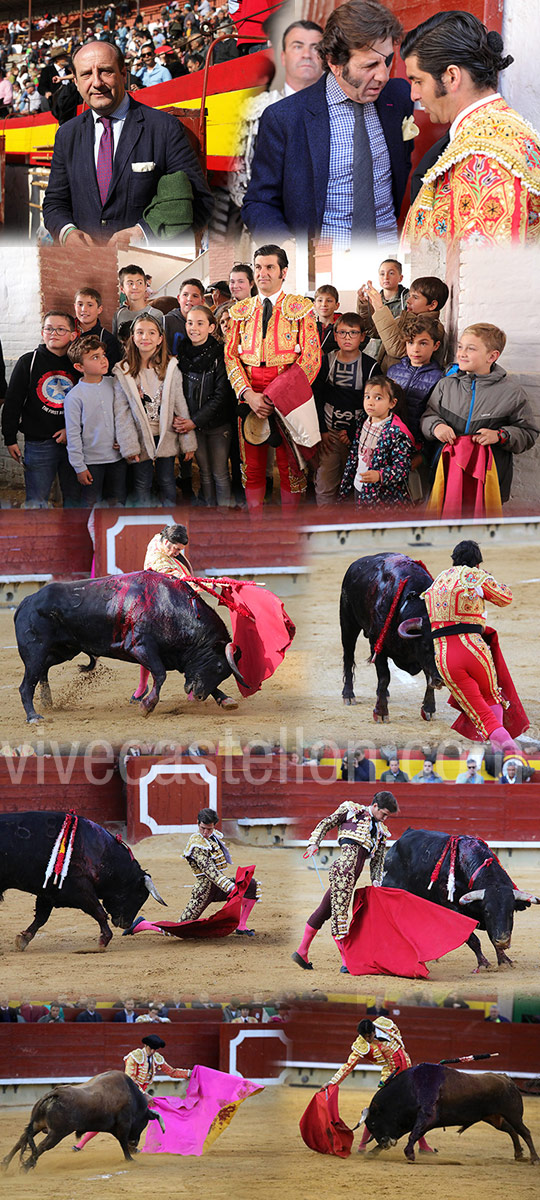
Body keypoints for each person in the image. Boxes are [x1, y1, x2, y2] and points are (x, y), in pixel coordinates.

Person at [242, 0, 414, 244]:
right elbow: (259, 202)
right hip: (324, 262)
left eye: (386, 61)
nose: (383, 76)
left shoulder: (398, 99)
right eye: (370, 65)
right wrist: (285, 248)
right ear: (335, 62)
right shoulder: (285, 118)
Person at [42, 40, 213, 247]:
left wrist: (145, 233)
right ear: (76, 82)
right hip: (88, 267)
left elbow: (200, 202)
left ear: (124, 74)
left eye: (105, 71)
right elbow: (54, 203)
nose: (96, 83)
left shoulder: (164, 128)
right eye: (86, 74)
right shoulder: (66, 135)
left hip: (148, 267)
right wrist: (67, 232)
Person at [401, 11, 540, 245]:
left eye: (418, 81)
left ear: (452, 77)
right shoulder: (489, 134)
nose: (414, 94)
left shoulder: (484, 156)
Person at [224, 244, 321, 509]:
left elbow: (311, 357)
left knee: (290, 465)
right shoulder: (239, 312)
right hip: (250, 395)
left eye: (269, 267)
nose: (262, 273)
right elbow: (231, 356)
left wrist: (278, 396)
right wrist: (248, 394)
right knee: (252, 466)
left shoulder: (301, 308)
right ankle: (256, 527)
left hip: (287, 396)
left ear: (283, 272)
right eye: (258, 267)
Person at [421, 323, 539, 511]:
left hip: (488, 482)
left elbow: (529, 433)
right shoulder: (446, 385)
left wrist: (500, 435)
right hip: (446, 476)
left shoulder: (511, 392)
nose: (461, 353)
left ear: (492, 356)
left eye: (471, 348)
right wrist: (436, 427)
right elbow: (428, 415)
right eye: (460, 347)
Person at [422, 540, 522, 752]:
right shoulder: (474, 575)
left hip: (444, 655)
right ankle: (510, 754)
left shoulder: (438, 580)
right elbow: (506, 598)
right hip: (472, 648)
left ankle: (501, 752)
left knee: (481, 715)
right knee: (492, 697)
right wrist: (485, 580)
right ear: (477, 563)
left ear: (453, 559)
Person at [292, 791, 398, 970]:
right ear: (375, 806)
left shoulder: (381, 831)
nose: (385, 819)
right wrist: (313, 843)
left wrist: (376, 881)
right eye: (384, 814)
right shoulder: (351, 811)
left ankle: (302, 952)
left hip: (351, 877)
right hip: (343, 871)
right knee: (340, 916)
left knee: (325, 910)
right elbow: (327, 823)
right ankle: (346, 962)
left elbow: (377, 861)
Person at [231, 19, 324, 208]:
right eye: (298, 47)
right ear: (283, 56)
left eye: (315, 48)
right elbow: (240, 180)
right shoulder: (255, 110)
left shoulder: (343, 108)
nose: (307, 55)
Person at [112, 312, 196, 505]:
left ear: (160, 339)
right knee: (142, 482)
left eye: (151, 333)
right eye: (140, 332)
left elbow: (179, 403)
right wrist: (129, 444)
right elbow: (121, 411)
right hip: (140, 435)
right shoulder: (123, 370)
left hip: (166, 434)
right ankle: (144, 522)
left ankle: (170, 521)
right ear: (133, 337)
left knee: (167, 480)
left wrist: (187, 441)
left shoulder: (170, 367)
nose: (145, 337)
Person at [1, 311, 80, 507]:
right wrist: (9, 438)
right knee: (37, 501)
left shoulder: (79, 363)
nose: (54, 333)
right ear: (42, 332)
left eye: (61, 329)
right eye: (49, 328)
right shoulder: (28, 361)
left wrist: (73, 431)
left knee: (75, 500)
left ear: (73, 335)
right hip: (39, 443)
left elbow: (92, 404)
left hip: (75, 443)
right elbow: (13, 402)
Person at [327, 1017, 435, 1152]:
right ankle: (362, 1145)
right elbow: (349, 1065)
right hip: (391, 1077)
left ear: (374, 1031)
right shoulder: (362, 1044)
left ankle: (423, 1146)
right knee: (378, 1110)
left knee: (415, 1108)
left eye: (369, 1036)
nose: (367, 1039)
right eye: (364, 1037)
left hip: (408, 1072)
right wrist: (333, 1082)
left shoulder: (386, 1025)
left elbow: (400, 1043)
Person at [73, 1033, 190, 1151]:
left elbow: (172, 1072)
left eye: (155, 1049)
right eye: (151, 1048)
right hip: (125, 1092)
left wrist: (189, 1073)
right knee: (109, 1118)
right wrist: (144, 1095)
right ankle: (80, 1144)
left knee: (143, 1118)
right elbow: (130, 1080)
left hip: (140, 1094)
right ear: (145, 1045)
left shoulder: (157, 1058)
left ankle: (133, 1145)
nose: (153, 1051)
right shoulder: (134, 1056)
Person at [313, 312, 377, 506]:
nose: (347, 338)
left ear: (363, 336)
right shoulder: (326, 361)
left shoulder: (371, 366)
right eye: (342, 333)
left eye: (353, 333)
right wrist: (322, 430)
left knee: (356, 484)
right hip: (329, 436)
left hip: (361, 437)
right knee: (325, 483)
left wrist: (352, 431)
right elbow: (317, 397)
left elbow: (374, 406)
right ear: (334, 335)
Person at [175, 304, 233, 507]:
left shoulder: (220, 355)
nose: (194, 328)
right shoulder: (181, 354)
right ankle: (209, 509)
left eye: (200, 323)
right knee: (205, 472)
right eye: (190, 323)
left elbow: (221, 396)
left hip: (217, 425)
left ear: (211, 327)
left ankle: (224, 515)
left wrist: (195, 420)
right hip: (192, 424)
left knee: (220, 472)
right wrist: (188, 421)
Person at [65, 334, 134, 506]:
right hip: (91, 462)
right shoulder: (74, 396)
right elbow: (73, 435)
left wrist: (124, 439)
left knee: (118, 501)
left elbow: (126, 416)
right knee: (91, 503)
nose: (103, 360)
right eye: (95, 357)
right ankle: (90, 533)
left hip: (117, 459)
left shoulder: (115, 384)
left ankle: (116, 533)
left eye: (103, 355)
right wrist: (79, 467)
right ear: (79, 366)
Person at [339, 375, 415, 508]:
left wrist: (380, 475)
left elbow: (402, 468)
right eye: (367, 396)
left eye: (378, 398)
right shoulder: (362, 420)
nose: (370, 402)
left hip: (381, 495)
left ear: (392, 403)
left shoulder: (397, 433)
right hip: (359, 485)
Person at [357, 275, 448, 371]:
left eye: (415, 297)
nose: (408, 301)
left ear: (432, 305)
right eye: (409, 296)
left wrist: (380, 308)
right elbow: (372, 331)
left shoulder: (434, 327)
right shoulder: (405, 318)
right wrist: (365, 305)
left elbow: (396, 349)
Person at [386, 314, 444, 444]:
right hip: (388, 438)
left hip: (416, 442)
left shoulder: (439, 378)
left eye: (423, 343)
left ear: (436, 346)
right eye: (410, 343)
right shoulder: (393, 371)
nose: (415, 349)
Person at [357, 258, 409, 360]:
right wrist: (364, 304)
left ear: (400, 278)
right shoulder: (373, 298)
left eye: (391, 273)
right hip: (375, 353)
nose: (386, 277)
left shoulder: (408, 299)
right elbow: (368, 329)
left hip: (396, 354)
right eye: (382, 274)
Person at [74, 286, 123, 369]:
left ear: (99, 309)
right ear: (75, 306)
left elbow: (110, 371)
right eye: (80, 304)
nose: (84, 309)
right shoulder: (66, 332)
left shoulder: (106, 339)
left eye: (90, 305)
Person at [113, 264, 163, 339]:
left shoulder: (156, 314)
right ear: (122, 289)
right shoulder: (119, 314)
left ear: (145, 286)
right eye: (130, 283)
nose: (135, 287)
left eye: (139, 283)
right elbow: (115, 342)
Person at [164, 277, 205, 354]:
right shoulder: (166, 321)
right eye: (185, 295)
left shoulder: (205, 323)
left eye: (195, 296)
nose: (189, 299)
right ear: (179, 299)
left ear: (202, 301)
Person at [313, 285, 340, 354]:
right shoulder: (309, 326)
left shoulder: (343, 327)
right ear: (314, 305)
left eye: (329, 301)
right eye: (320, 300)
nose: (324, 304)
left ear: (337, 305)